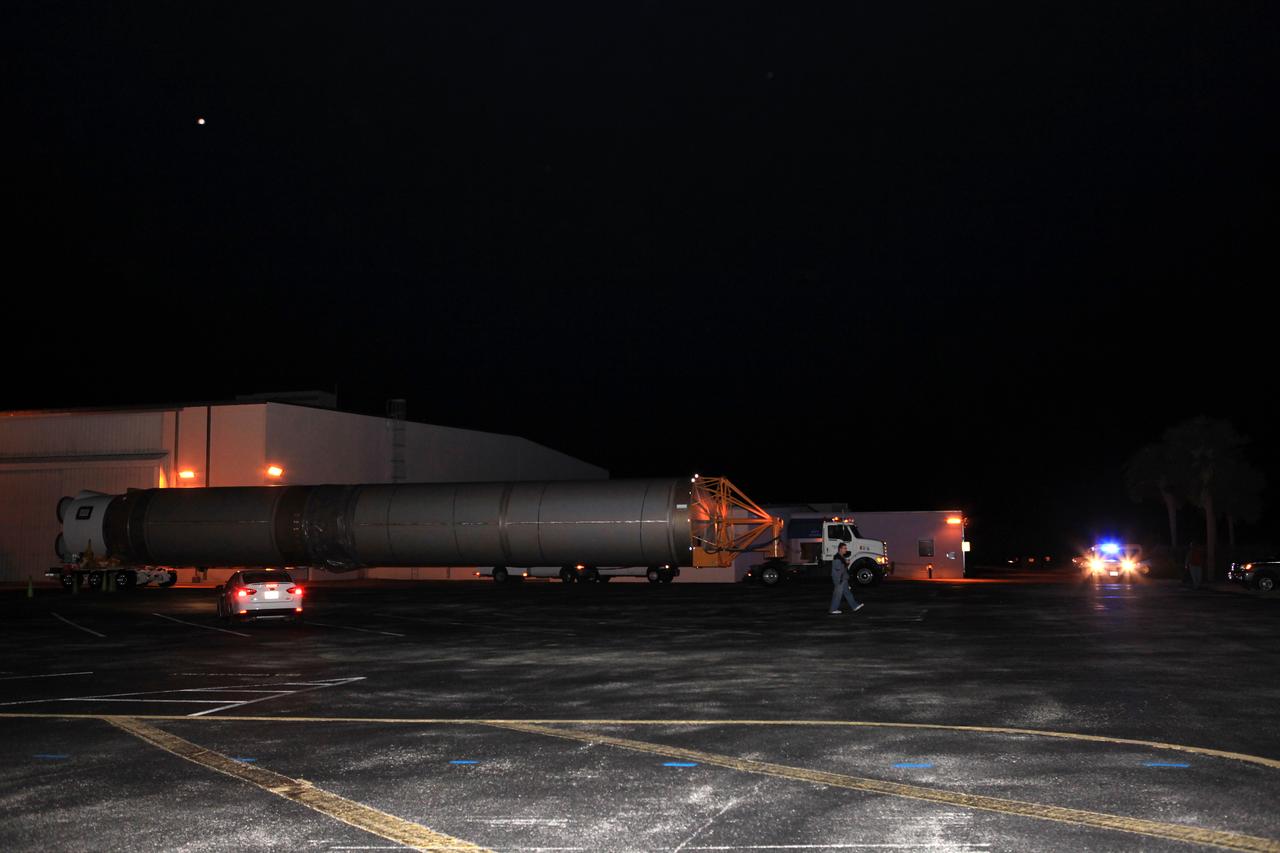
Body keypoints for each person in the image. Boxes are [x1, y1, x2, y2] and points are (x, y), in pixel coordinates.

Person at [829, 542, 865, 615]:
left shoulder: (841, 557)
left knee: (848, 593)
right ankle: (832, 609)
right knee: (837, 595)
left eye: (846, 548)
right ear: (840, 549)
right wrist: (846, 564)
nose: (846, 549)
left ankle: (854, 606)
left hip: (842, 579)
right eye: (844, 548)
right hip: (840, 580)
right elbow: (839, 570)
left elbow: (842, 568)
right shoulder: (837, 558)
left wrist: (845, 563)